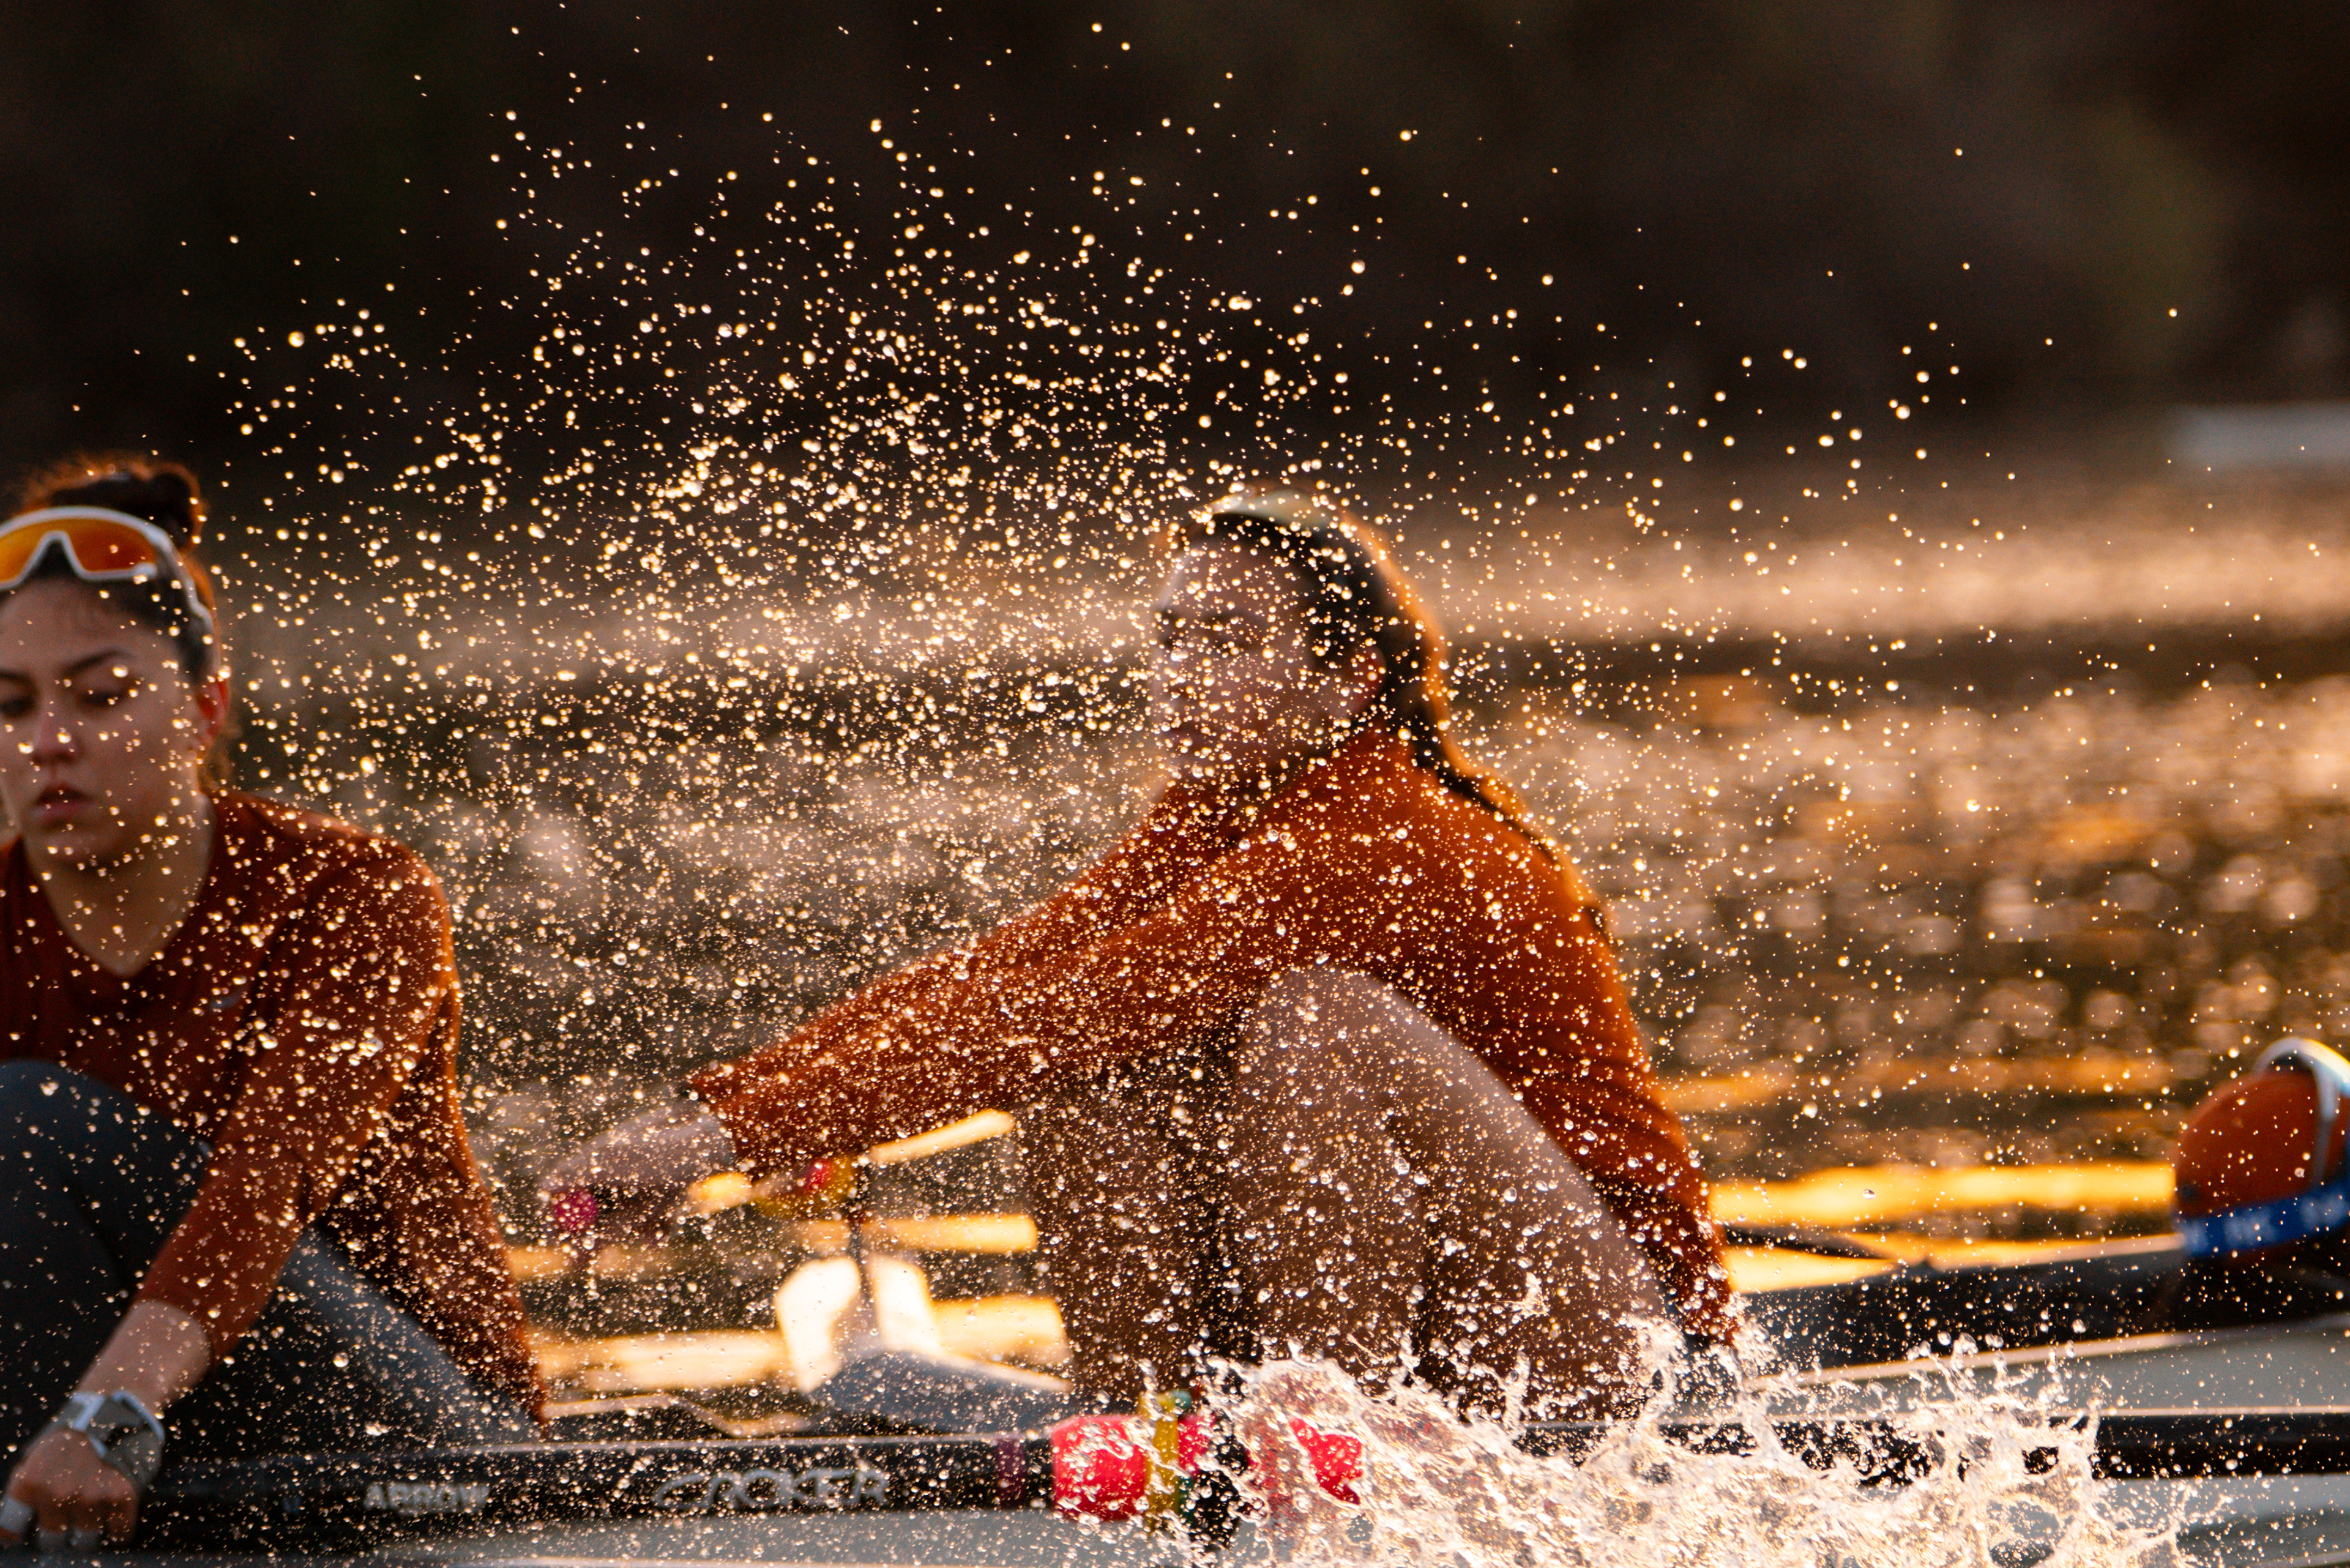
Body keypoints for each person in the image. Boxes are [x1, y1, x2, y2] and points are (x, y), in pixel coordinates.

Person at [551, 481, 1731, 1419]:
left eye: (1231, 639)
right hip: (1452, 1327)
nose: (1183, 673)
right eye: (1172, 637)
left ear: (1348, 681)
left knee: (1307, 1017)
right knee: (1080, 1063)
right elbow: (1002, 984)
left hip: (1624, 1346)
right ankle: (1153, 1432)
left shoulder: (1387, 835)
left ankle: (1332, 1452)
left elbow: (1062, 1006)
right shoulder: (1213, 818)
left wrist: (721, 1141)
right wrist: (723, 1114)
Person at [0, 457, 540, 1550]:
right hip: (119, 1412)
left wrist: (107, 1417)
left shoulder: (355, 893)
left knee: (20, 1112)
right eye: (11, 705)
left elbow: (267, 1184)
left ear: (205, 710)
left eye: (101, 697)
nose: (50, 739)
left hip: (423, 1436)